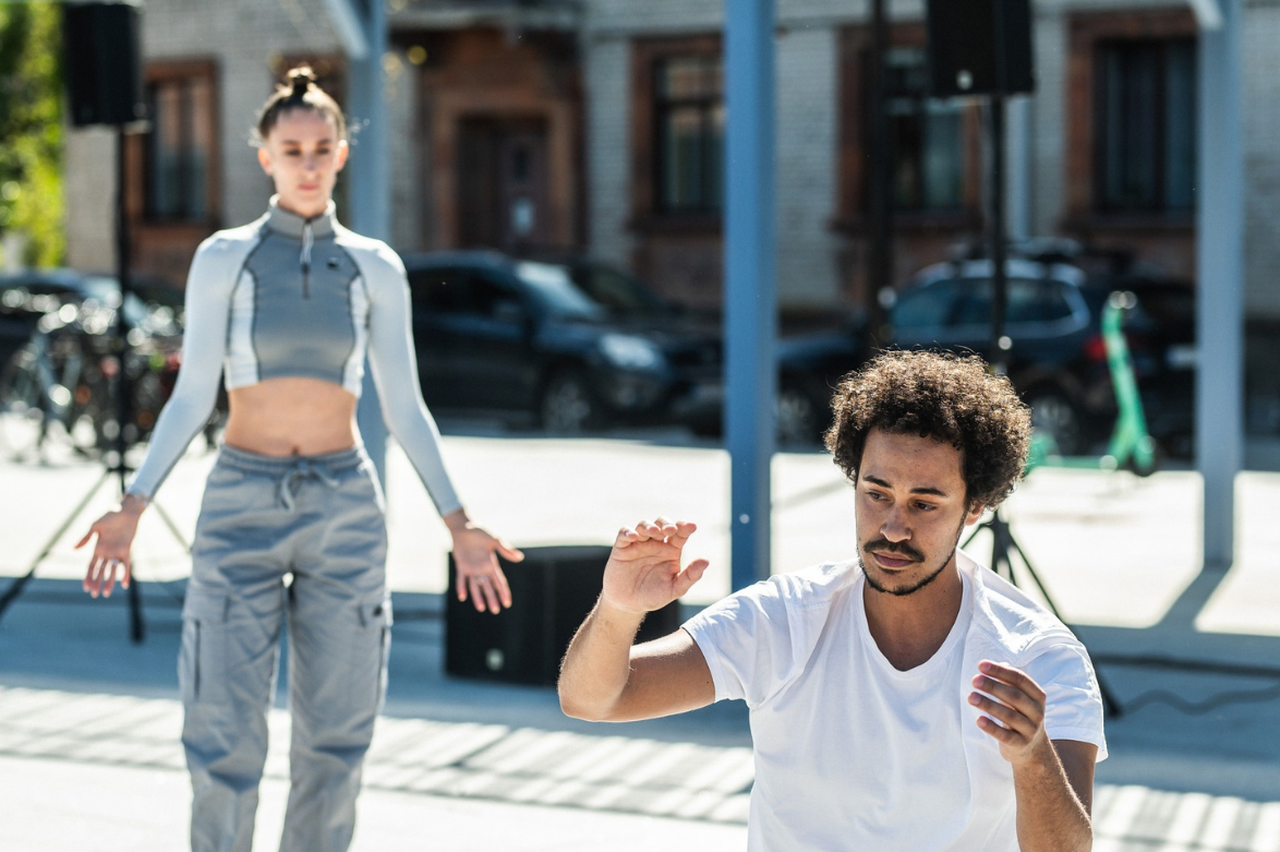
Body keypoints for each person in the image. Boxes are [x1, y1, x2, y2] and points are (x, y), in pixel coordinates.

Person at [75, 66, 523, 852]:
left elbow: (405, 406)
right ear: (265, 158)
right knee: (222, 738)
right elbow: (191, 397)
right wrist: (134, 504)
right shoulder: (225, 258)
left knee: (337, 742)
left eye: (322, 148)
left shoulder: (376, 267)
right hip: (240, 499)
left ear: (343, 153)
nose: (308, 163)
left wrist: (461, 520)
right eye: (292, 149)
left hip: (345, 503)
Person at [559, 350, 1106, 852]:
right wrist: (619, 609)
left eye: (925, 504)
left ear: (974, 507)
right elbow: (595, 700)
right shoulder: (785, 619)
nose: (893, 527)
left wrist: (1033, 758)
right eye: (876, 494)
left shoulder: (1037, 654)